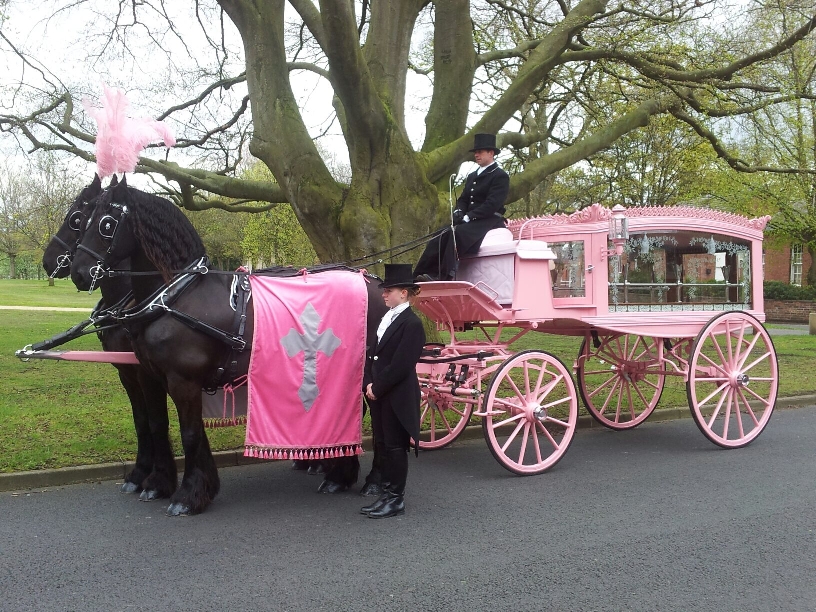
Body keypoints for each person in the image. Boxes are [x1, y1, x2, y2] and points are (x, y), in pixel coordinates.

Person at [360, 263, 426, 519]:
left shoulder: (412, 324)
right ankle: (386, 494)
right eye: (384, 290)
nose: (384, 294)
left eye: (390, 290)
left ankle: (396, 499)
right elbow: (372, 354)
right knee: (384, 445)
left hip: (397, 395)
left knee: (396, 447)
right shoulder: (386, 318)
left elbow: (401, 365)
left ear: (405, 293)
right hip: (378, 393)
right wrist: (368, 382)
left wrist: (378, 386)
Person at [413, 133, 510, 282]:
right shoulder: (472, 176)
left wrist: (469, 216)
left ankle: (444, 275)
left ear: (491, 153)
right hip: (470, 219)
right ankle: (422, 273)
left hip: (489, 219)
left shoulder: (499, 175)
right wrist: (459, 211)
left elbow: (492, 204)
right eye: (475, 152)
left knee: (456, 234)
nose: (476, 155)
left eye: (480, 152)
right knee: (441, 234)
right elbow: (464, 198)